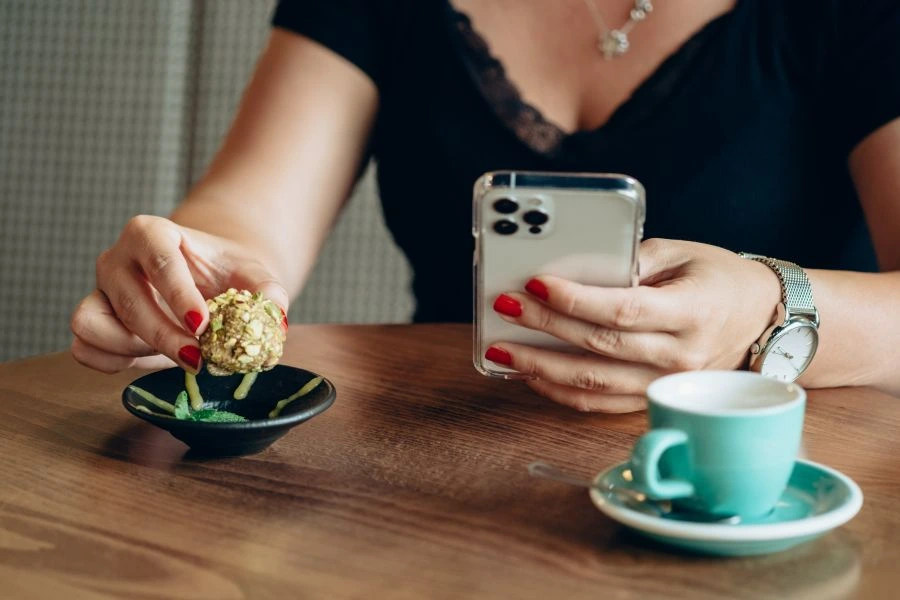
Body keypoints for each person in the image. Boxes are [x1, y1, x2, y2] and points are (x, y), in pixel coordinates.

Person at [70, 0, 900, 412]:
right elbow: (249, 222)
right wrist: (180, 277)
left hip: (776, 493)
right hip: (437, 473)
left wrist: (766, 316)